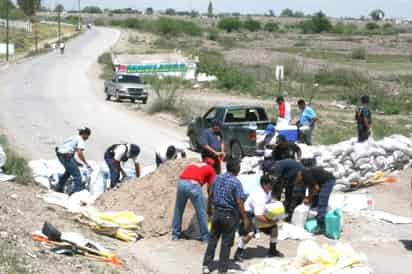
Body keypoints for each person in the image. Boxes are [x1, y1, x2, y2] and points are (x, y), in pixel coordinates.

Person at [202, 159, 249, 274]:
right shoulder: (236, 182)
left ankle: (206, 265)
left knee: (213, 239)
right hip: (229, 215)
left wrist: (209, 210)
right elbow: (239, 202)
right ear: (237, 169)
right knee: (226, 242)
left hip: (216, 213)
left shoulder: (217, 178)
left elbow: (211, 195)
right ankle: (222, 270)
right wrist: (245, 218)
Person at [233, 175, 284, 262]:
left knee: (274, 229)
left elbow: (268, 203)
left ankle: (272, 250)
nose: (272, 186)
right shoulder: (259, 196)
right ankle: (238, 253)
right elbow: (258, 216)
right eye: (270, 184)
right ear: (264, 184)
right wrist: (270, 221)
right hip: (248, 214)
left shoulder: (267, 191)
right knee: (250, 233)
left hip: (258, 213)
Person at [171, 159, 216, 242]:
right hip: (193, 185)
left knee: (178, 210)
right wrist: (210, 203)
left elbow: (184, 175)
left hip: (181, 183)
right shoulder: (211, 169)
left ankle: (175, 235)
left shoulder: (193, 165)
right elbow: (211, 189)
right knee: (201, 212)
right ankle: (205, 237)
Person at [296, 167, 336, 235]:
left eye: (297, 179)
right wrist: (309, 197)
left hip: (328, 181)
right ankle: (317, 217)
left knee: (322, 201)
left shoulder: (306, 175)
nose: (297, 181)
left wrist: (308, 198)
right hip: (321, 181)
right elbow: (311, 187)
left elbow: (316, 188)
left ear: (298, 174)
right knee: (315, 200)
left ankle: (321, 225)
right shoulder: (304, 176)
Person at [55, 127, 91, 194]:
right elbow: (79, 153)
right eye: (88, 136)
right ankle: (77, 193)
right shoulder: (81, 140)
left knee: (68, 172)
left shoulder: (73, 137)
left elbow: (70, 151)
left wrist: (76, 163)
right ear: (85, 134)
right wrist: (85, 162)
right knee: (77, 175)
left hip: (60, 154)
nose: (88, 138)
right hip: (65, 156)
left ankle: (58, 188)